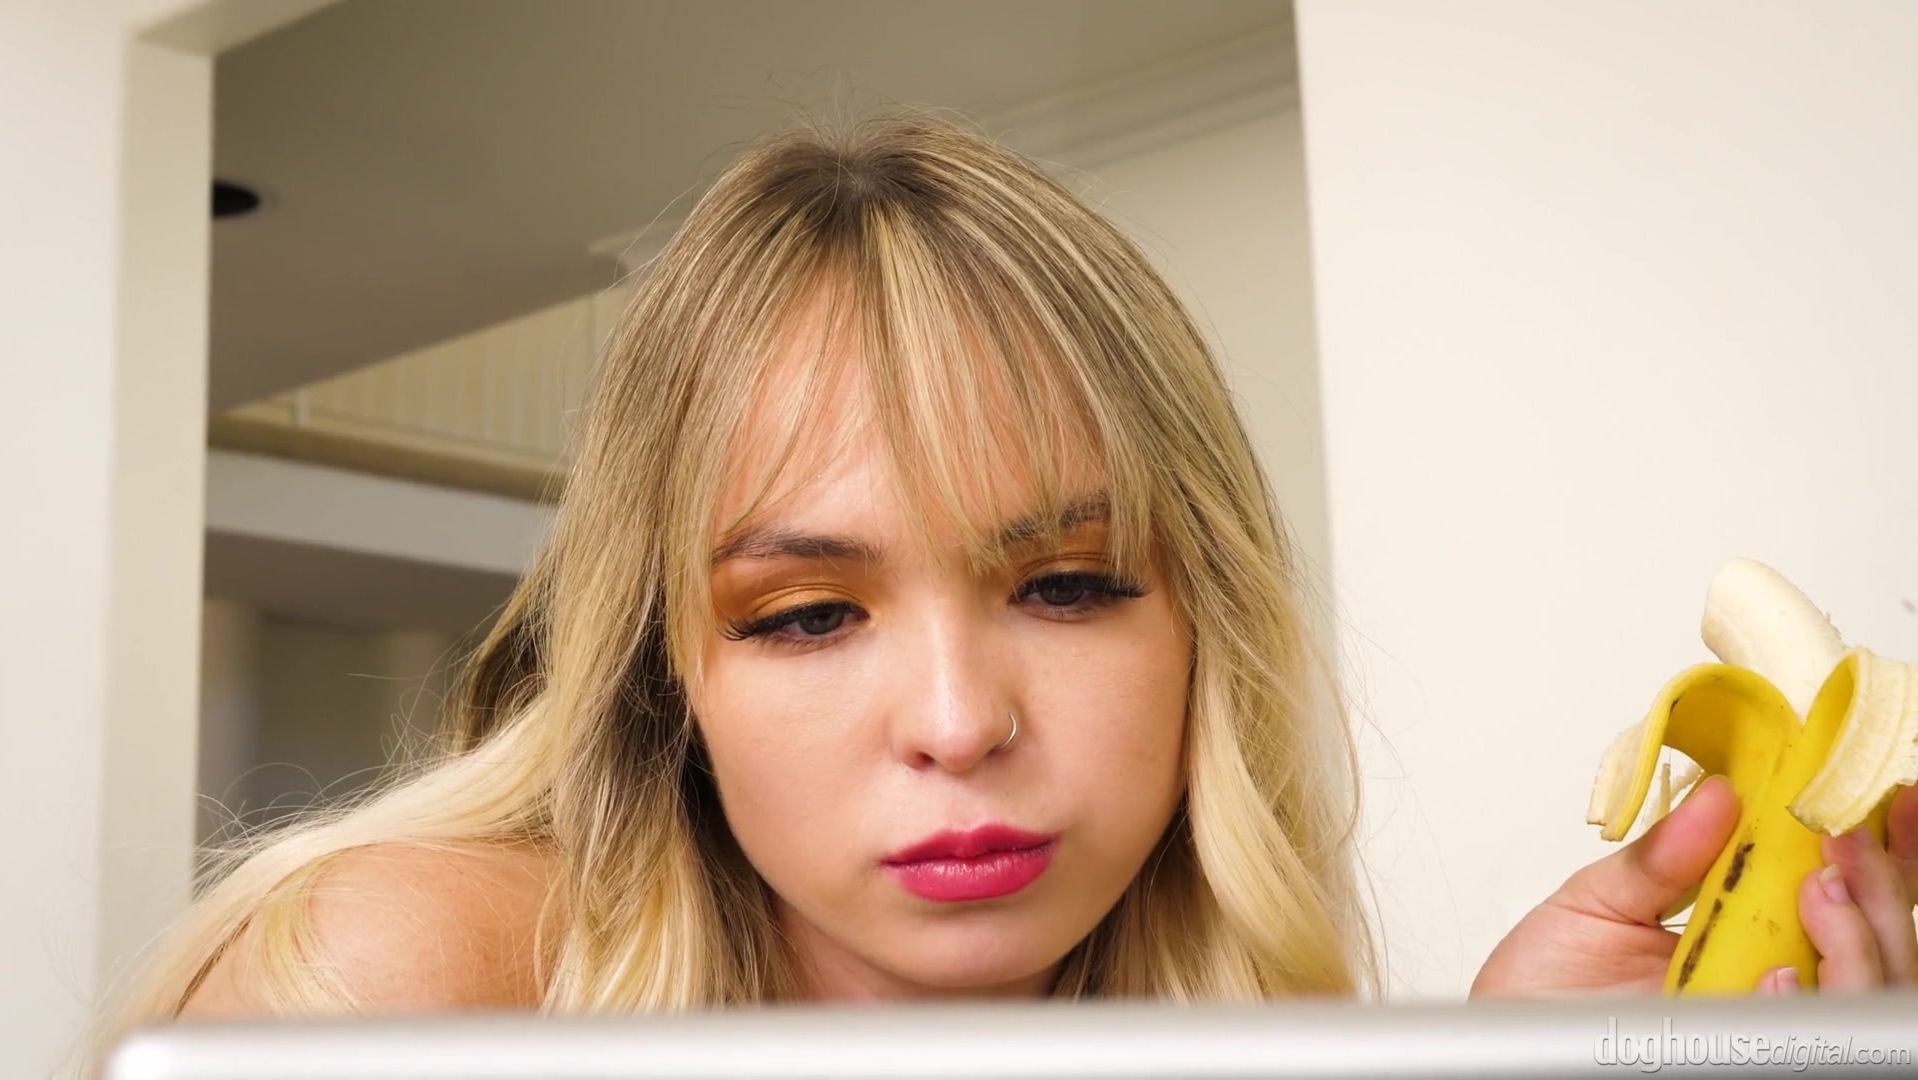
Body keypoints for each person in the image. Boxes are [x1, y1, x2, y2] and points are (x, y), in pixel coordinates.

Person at [95, 111, 1918, 1057]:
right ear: (668, 678)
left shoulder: (1248, 1035)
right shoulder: (410, 988)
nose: (960, 725)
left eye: (1065, 588)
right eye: (807, 615)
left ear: (1204, 624)